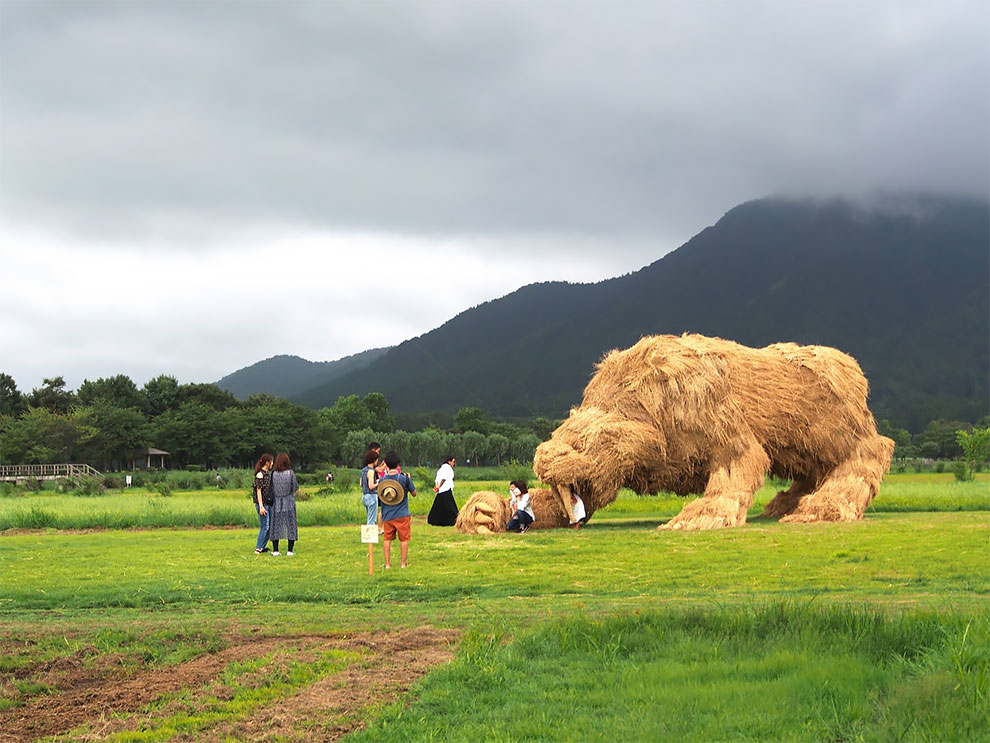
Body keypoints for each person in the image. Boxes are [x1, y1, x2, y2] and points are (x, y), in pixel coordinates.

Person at [378, 451, 416, 569]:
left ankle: (388, 564)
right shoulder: (404, 478)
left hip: (387, 514)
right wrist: (410, 479)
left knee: (387, 539)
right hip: (402, 514)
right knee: (403, 540)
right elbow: (414, 493)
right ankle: (403, 564)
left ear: (387, 465)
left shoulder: (382, 480)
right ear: (398, 464)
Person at [268, 452, 300, 555]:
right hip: (289, 501)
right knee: (291, 525)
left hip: (277, 502)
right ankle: (290, 550)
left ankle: (276, 550)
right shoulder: (290, 473)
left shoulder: (273, 474)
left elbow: (271, 488)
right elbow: (295, 487)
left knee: (276, 525)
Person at [252, 453, 274, 554]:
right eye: (271, 462)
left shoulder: (267, 474)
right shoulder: (260, 475)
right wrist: (261, 506)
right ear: (267, 462)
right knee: (264, 526)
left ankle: (262, 547)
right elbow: (258, 491)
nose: (273, 464)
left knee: (269, 527)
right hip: (263, 504)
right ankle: (258, 548)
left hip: (268, 503)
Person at [428, 455, 458, 526]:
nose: (454, 463)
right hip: (446, 489)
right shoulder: (448, 468)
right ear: (449, 461)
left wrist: (437, 487)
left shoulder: (441, 469)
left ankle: (435, 520)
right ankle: (454, 520)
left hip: (441, 490)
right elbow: (443, 479)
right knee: (451, 507)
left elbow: (437, 479)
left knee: (439, 507)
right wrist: (439, 487)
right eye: (453, 461)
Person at [360, 449, 380, 529]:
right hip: (372, 496)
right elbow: (371, 486)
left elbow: (361, 483)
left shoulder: (363, 470)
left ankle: (369, 539)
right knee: (371, 520)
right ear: (374, 460)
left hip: (365, 496)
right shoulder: (371, 471)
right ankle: (370, 540)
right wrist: (378, 482)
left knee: (369, 518)